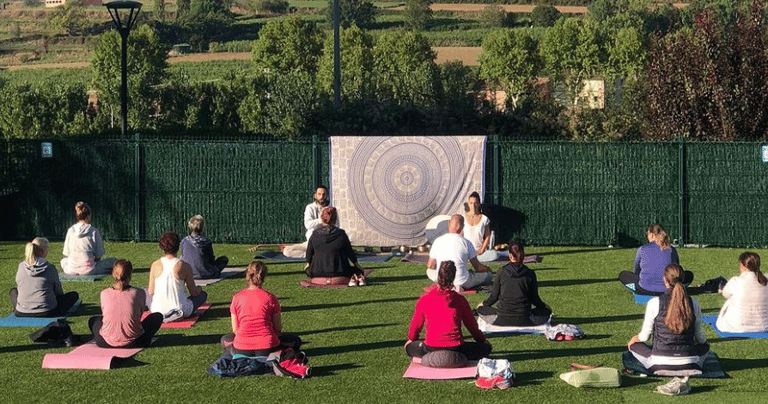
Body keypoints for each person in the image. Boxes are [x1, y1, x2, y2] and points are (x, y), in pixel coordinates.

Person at [627, 264, 709, 375]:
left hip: (658, 363)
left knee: (634, 345)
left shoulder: (654, 302)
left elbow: (645, 337)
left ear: (665, 280)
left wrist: (634, 339)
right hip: (689, 362)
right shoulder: (693, 303)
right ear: (683, 279)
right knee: (705, 346)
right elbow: (701, 338)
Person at [406, 261, 492, 361]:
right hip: (456, 348)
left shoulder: (425, 299)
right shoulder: (460, 300)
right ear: (453, 278)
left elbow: (415, 326)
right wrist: (482, 341)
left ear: (438, 277)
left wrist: (411, 339)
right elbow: (472, 326)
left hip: (431, 347)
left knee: (409, 346)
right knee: (486, 348)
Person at [221, 261, 301, 356]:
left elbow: (235, 330)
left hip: (241, 347)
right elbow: (277, 329)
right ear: (263, 277)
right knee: (295, 340)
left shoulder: (236, 298)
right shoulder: (270, 298)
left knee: (225, 339)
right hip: (268, 347)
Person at [89, 260, 163, 348]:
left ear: (113, 273)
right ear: (130, 274)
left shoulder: (104, 293)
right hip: (136, 341)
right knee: (157, 317)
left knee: (94, 320)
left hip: (104, 342)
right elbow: (139, 314)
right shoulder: (139, 292)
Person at [476, 241, 551, 326]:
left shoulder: (501, 271)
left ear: (510, 256)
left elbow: (494, 297)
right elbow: (535, 299)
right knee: (547, 311)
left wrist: (483, 304)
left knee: (480, 309)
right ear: (523, 256)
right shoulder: (530, 273)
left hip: (502, 319)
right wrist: (545, 306)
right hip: (525, 318)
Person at [11, 237, 80, 317]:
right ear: (43, 251)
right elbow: (59, 292)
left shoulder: (22, 266)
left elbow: (20, 286)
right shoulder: (50, 268)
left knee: (13, 291)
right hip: (47, 311)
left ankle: (22, 307)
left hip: (21, 312)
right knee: (73, 295)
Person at [148, 231, 208, 322]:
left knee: (145, 292)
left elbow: (150, 291)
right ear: (178, 246)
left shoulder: (155, 265)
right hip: (181, 309)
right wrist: (199, 289)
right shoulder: (184, 266)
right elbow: (194, 292)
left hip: (157, 310)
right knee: (203, 295)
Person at [618, 224, 692, 295]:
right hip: (669, 289)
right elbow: (676, 270)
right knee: (688, 275)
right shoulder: (671, 249)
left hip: (644, 289)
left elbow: (636, 270)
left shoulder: (642, 249)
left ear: (651, 234)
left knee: (623, 275)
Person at [427, 214, 492, 291]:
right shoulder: (466, 243)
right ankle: (457, 286)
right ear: (462, 227)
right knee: (489, 275)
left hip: (442, 279)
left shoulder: (437, 241)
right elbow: (478, 267)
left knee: (429, 271)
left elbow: (430, 265)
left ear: (449, 223)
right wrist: (488, 269)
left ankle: (444, 282)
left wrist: (440, 269)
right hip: (462, 281)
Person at [305, 206, 365, 286]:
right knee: (355, 270)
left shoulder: (315, 235)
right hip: (340, 271)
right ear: (335, 219)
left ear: (321, 218)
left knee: (307, 270)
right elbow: (350, 253)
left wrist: (308, 265)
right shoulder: (341, 234)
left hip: (317, 271)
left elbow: (309, 255)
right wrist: (357, 266)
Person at [716, 252, 768, 333]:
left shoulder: (735, 281)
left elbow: (725, 294)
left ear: (742, 265)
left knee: (730, 300)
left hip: (735, 327)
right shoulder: (765, 280)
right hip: (764, 326)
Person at [61, 201, 117, 275]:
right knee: (114, 261)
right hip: (89, 270)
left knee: (63, 260)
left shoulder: (71, 230)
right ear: (88, 215)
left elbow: (66, 253)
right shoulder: (94, 231)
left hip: (70, 270)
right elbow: (98, 255)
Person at [282, 186, 332, 259]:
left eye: (323, 194)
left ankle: (316, 254)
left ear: (326, 195)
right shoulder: (310, 207)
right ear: (315, 195)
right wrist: (321, 220)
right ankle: (313, 255)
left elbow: (334, 226)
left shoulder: (330, 209)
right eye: (319, 194)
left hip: (325, 242)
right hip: (311, 242)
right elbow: (308, 225)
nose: (321, 197)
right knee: (287, 251)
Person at [180, 215, 229, 279]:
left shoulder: (184, 241)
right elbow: (211, 259)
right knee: (224, 259)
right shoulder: (206, 242)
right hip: (207, 274)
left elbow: (183, 256)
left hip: (189, 273)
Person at [463, 191, 498, 262]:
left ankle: (474, 259)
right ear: (468, 204)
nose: (473, 206)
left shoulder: (484, 219)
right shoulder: (463, 218)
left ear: (479, 204)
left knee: (494, 255)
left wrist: (482, 250)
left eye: (475, 203)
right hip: (465, 250)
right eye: (471, 203)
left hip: (479, 251)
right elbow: (459, 236)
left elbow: (487, 236)